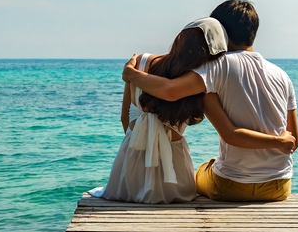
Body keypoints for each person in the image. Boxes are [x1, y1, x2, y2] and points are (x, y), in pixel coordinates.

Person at [121, 0, 298, 202]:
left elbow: (170, 91)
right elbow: (294, 141)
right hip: (280, 187)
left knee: (200, 174)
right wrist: (280, 141)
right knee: (213, 164)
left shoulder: (217, 66)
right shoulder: (282, 75)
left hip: (231, 186)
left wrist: (131, 74)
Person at [92, 18, 226, 203]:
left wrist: (140, 147)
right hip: (174, 176)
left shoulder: (140, 62)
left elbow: (125, 118)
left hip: (128, 169)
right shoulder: (199, 80)